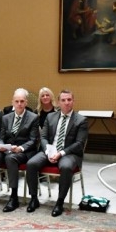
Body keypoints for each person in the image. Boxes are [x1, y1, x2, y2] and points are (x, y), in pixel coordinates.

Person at [25, 89, 88, 217]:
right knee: (31, 163)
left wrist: (61, 153)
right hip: (50, 150)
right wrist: (49, 151)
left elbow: (79, 144)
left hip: (69, 153)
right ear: (58, 102)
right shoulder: (50, 116)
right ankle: (33, 199)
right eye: (63, 100)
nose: (66, 103)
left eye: (69, 100)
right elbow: (43, 137)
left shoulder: (81, 120)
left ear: (73, 101)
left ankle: (59, 202)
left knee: (65, 167)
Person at [0, 88, 40, 211]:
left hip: (24, 151)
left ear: (26, 103)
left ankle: (14, 197)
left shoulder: (33, 117)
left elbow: (33, 140)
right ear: (12, 102)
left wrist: (20, 148)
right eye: (17, 101)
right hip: (7, 148)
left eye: (22, 101)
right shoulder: (6, 118)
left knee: (11, 158)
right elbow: (0, 137)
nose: (19, 104)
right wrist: (0, 145)